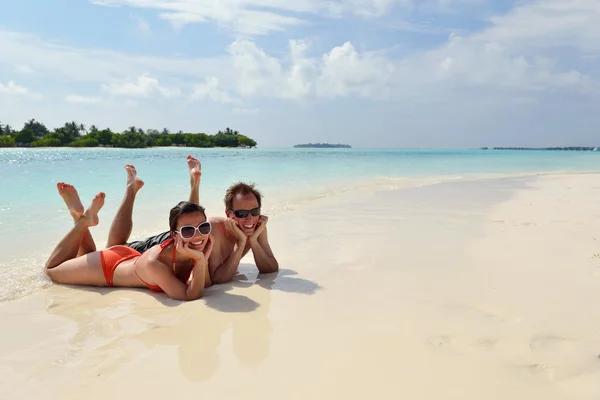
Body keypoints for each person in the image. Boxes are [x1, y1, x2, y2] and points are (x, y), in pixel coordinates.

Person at [108, 155, 278, 285]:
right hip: (170, 243)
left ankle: (194, 184)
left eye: (255, 211)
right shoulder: (214, 228)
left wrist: (253, 241)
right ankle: (131, 190)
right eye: (241, 213)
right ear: (228, 213)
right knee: (115, 247)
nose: (249, 218)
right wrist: (242, 243)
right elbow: (217, 278)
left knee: (192, 222)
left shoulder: (255, 225)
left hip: (186, 243)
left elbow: (270, 269)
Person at [46, 180, 214, 301]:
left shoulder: (189, 248)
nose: (198, 235)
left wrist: (201, 259)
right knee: (51, 271)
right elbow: (188, 295)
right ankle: (83, 222)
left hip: (126, 257)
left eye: (204, 227)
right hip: (107, 269)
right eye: (188, 230)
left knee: (87, 256)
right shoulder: (154, 262)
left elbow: (204, 284)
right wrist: (200, 260)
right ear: (174, 234)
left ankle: (77, 215)